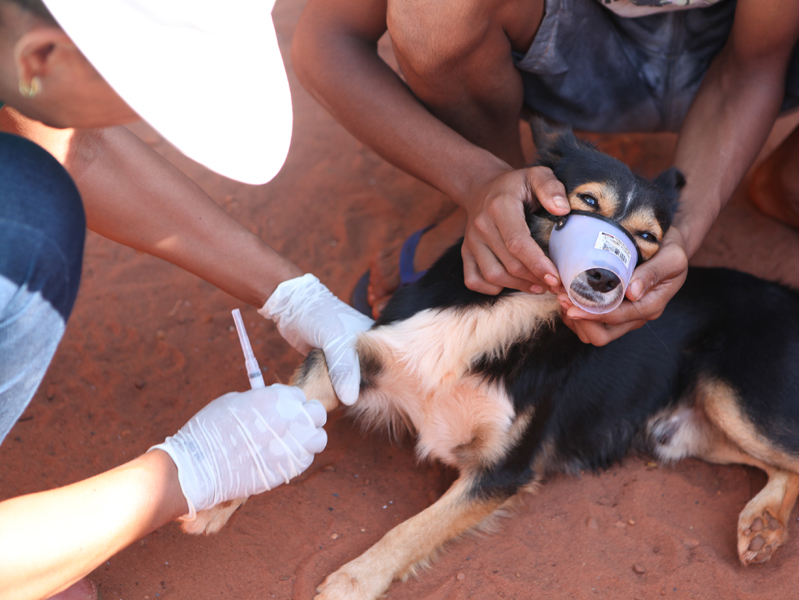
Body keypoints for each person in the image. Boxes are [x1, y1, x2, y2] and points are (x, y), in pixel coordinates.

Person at [0, 1, 373, 598]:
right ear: (43, 57)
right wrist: (186, 473)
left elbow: (68, 139)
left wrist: (290, 294)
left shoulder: (18, 50)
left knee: (28, 199)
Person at [291, 0, 799, 345]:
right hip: (570, 53)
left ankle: (784, 181)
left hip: (762, 50)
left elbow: (751, 68)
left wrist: (682, 232)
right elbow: (327, 40)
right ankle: (504, 211)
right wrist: (477, 180)